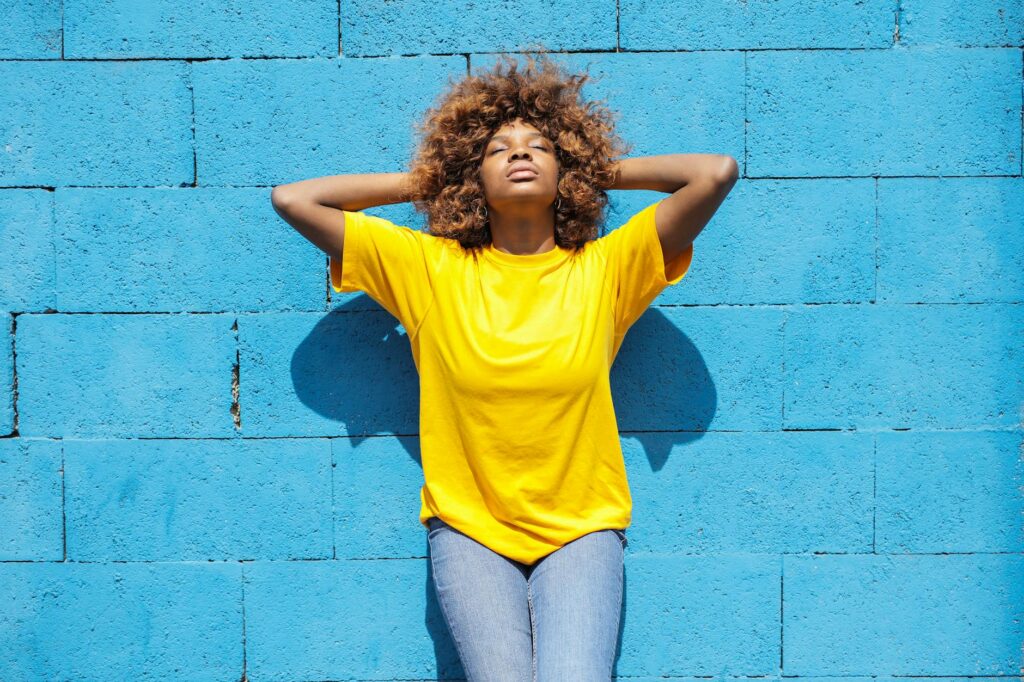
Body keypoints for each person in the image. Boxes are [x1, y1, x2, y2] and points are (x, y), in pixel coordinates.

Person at [271, 49, 737, 682]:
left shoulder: (606, 269)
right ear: (474, 177)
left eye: (540, 147)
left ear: (564, 171)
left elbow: (714, 173)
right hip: (470, 529)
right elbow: (294, 200)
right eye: (498, 150)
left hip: (581, 528)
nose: (520, 153)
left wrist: (596, 171)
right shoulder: (428, 269)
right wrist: (433, 181)